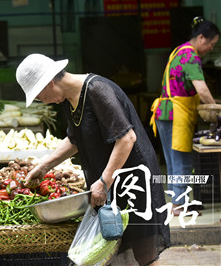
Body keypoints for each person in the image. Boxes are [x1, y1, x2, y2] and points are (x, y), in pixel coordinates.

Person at [16, 54, 170, 266]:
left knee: (144, 254)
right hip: (112, 182)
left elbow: (127, 138)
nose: (44, 102)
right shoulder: (70, 99)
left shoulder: (97, 89)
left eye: (41, 97)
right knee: (110, 246)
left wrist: (104, 182)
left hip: (133, 179)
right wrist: (44, 166)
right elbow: (74, 140)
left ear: (49, 83)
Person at [150, 17, 219, 216]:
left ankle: (176, 202)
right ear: (202, 38)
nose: (210, 49)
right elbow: (203, 90)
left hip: (165, 113)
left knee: (173, 162)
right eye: (211, 44)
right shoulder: (191, 56)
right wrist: (216, 111)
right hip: (176, 115)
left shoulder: (178, 51)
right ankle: (179, 205)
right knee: (182, 161)